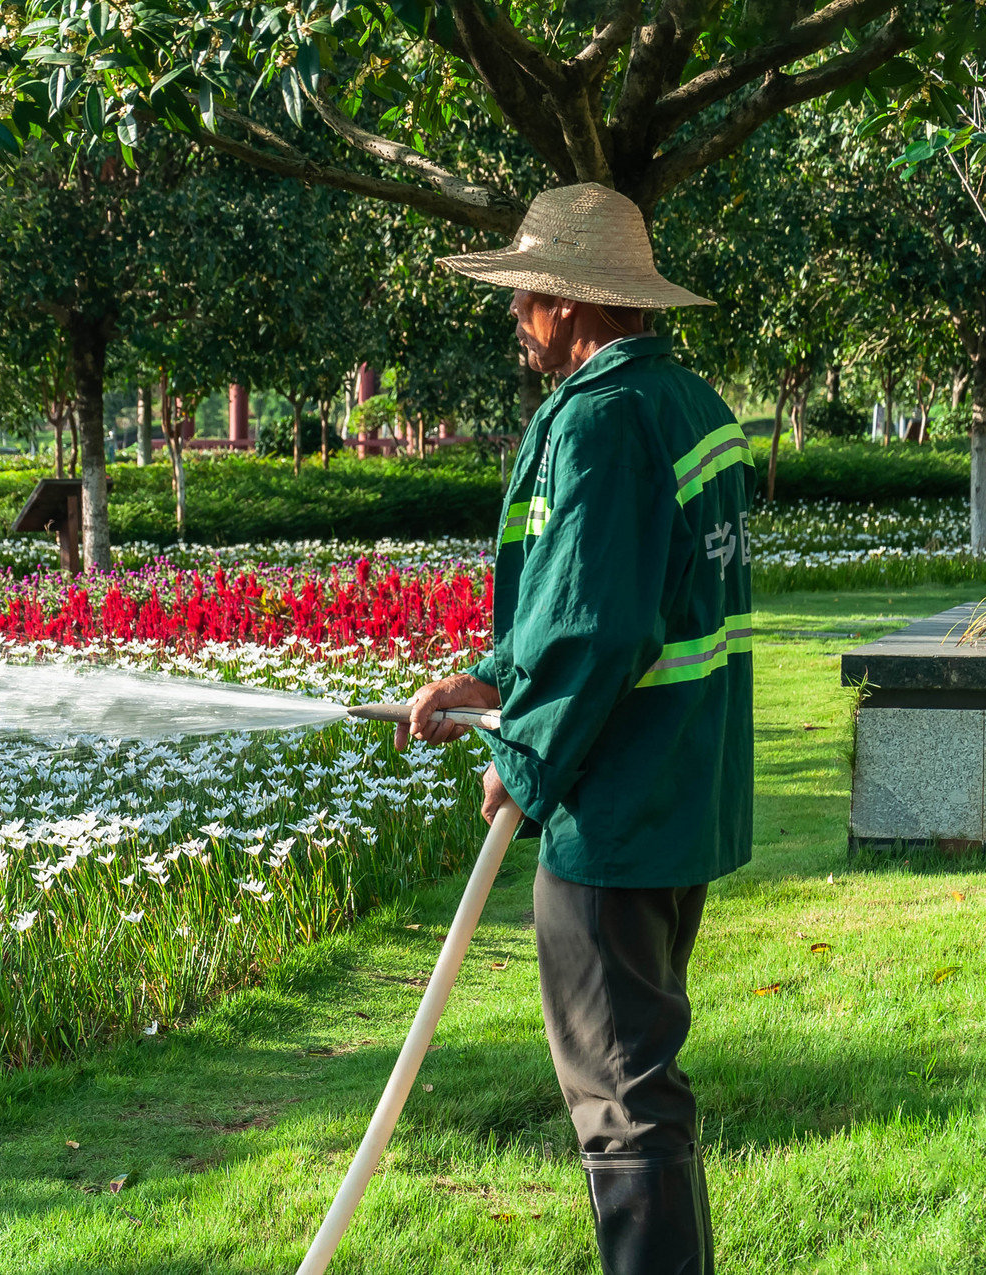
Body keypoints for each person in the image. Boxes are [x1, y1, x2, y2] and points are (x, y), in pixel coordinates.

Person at [400, 183, 753, 1275]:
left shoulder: (600, 421)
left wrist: (528, 756)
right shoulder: (693, 404)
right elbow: (611, 599)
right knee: (645, 1082)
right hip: (677, 791)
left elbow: (596, 631)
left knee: (619, 1101)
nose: (515, 314)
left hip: (613, 812)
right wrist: (491, 680)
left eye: (525, 295)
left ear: (571, 304)